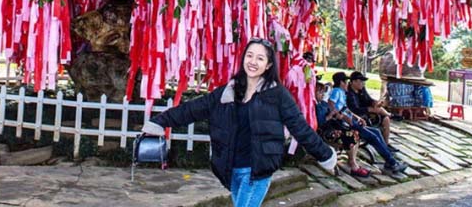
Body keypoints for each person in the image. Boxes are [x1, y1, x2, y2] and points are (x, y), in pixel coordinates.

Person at [142, 39, 337, 207]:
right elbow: (193, 109)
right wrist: (160, 122)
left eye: (260, 58)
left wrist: (325, 155)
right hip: (230, 168)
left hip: (257, 170)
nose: (253, 62)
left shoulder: (277, 95)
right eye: (249, 56)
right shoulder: (229, 91)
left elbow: (300, 127)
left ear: (268, 65)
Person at [327, 72, 407, 175]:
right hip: (345, 123)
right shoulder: (337, 91)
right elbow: (331, 104)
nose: (347, 84)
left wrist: (357, 117)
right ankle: (392, 163)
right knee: (372, 136)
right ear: (341, 83)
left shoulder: (343, 92)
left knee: (376, 132)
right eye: (346, 82)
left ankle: (389, 159)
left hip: (352, 119)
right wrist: (339, 115)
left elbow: (346, 108)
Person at [313, 77, 372, 178]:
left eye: (323, 92)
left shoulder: (323, 104)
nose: (322, 95)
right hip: (325, 130)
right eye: (320, 93)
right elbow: (319, 122)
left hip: (333, 126)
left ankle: (352, 161)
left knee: (355, 133)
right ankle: (353, 165)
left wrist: (339, 116)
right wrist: (330, 115)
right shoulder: (314, 106)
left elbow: (340, 112)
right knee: (350, 136)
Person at [347, 71, 393, 141]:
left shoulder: (362, 90)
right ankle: (391, 115)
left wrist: (375, 103)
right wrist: (369, 109)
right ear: (354, 82)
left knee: (386, 119)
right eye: (361, 81)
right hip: (358, 116)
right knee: (379, 112)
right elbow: (353, 110)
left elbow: (369, 100)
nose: (363, 83)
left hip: (367, 113)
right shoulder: (349, 94)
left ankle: (386, 143)